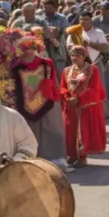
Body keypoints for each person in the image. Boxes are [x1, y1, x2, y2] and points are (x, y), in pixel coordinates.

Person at [11, 36, 67, 167]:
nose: (29, 51)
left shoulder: (47, 63)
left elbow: (53, 82)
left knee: (52, 130)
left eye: (32, 47)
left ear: (37, 48)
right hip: (23, 104)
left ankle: (56, 158)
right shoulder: (14, 66)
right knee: (29, 131)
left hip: (47, 102)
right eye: (25, 48)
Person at [60, 46, 107, 169]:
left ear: (84, 56)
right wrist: (68, 98)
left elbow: (94, 88)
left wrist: (79, 98)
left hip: (86, 107)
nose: (75, 58)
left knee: (84, 132)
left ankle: (82, 157)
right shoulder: (66, 70)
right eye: (72, 55)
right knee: (70, 131)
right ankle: (72, 156)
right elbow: (63, 87)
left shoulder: (92, 70)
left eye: (78, 56)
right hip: (71, 106)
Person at [40, 0, 70, 75]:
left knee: (60, 73)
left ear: (55, 8)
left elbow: (66, 32)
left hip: (59, 51)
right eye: (45, 8)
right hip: (44, 50)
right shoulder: (40, 19)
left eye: (49, 8)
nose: (47, 10)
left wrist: (57, 34)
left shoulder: (62, 19)